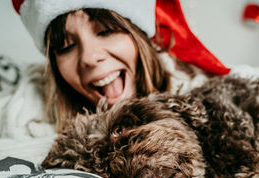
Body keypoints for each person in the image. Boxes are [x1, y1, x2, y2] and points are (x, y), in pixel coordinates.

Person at [12, 0, 231, 131]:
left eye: (106, 31)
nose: (89, 57)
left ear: (141, 38)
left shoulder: (214, 98)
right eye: (66, 46)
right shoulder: (22, 110)